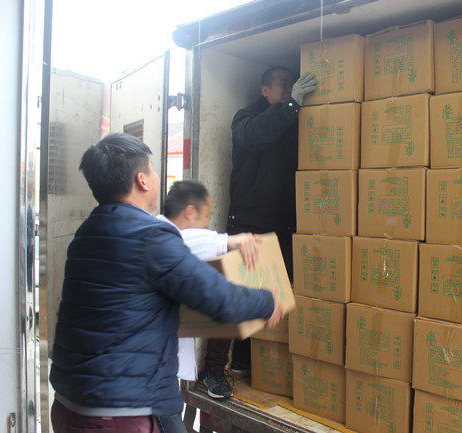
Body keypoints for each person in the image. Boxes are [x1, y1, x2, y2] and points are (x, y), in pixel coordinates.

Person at [49, 133, 284, 433]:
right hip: (119, 414)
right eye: (153, 170)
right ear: (142, 180)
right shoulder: (149, 236)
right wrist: (267, 301)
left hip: (69, 404)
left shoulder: (87, 233)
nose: (157, 177)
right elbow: (216, 297)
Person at [203, 66, 316, 398]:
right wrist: (292, 104)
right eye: (283, 84)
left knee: (273, 299)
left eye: (292, 85)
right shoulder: (247, 118)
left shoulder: (289, 119)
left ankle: (248, 359)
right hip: (248, 222)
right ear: (264, 90)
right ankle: (213, 370)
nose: (289, 89)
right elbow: (257, 134)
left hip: (283, 223)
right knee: (233, 297)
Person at [157, 179, 261, 389]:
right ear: (189, 212)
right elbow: (182, 242)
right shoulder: (162, 239)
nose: (207, 225)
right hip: (158, 373)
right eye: (205, 217)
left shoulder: (163, 240)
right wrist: (227, 241)